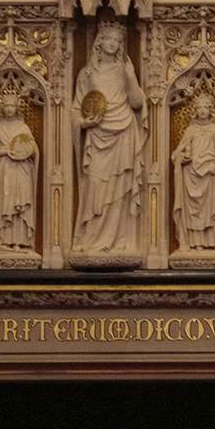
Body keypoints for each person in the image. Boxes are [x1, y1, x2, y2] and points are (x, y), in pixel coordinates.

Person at [73, 20, 146, 260]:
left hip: (124, 131)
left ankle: (117, 242)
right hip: (97, 135)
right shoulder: (87, 74)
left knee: (119, 191)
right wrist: (84, 123)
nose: (113, 43)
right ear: (99, 42)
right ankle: (91, 239)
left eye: (117, 40)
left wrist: (131, 77)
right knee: (95, 186)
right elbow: (76, 109)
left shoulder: (124, 70)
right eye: (109, 38)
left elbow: (137, 103)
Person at [172, 91, 215, 254]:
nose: (203, 110)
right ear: (195, 110)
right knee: (194, 213)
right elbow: (176, 153)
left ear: (211, 110)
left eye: (206, 107)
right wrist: (182, 158)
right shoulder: (190, 130)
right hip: (191, 175)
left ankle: (214, 241)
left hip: (210, 175)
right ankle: (196, 242)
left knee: (211, 210)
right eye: (199, 107)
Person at [0, 89, 39, 254]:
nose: (9, 109)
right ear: (2, 108)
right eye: (6, 106)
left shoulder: (23, 127)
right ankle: (3, 240)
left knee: (20, 206)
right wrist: (6, 151)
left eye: (12, 106)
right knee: (4, 205)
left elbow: (33, 150)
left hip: (22, 170)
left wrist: (26, 150)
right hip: (4, 170)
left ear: (16, 108)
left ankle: (19, 242)